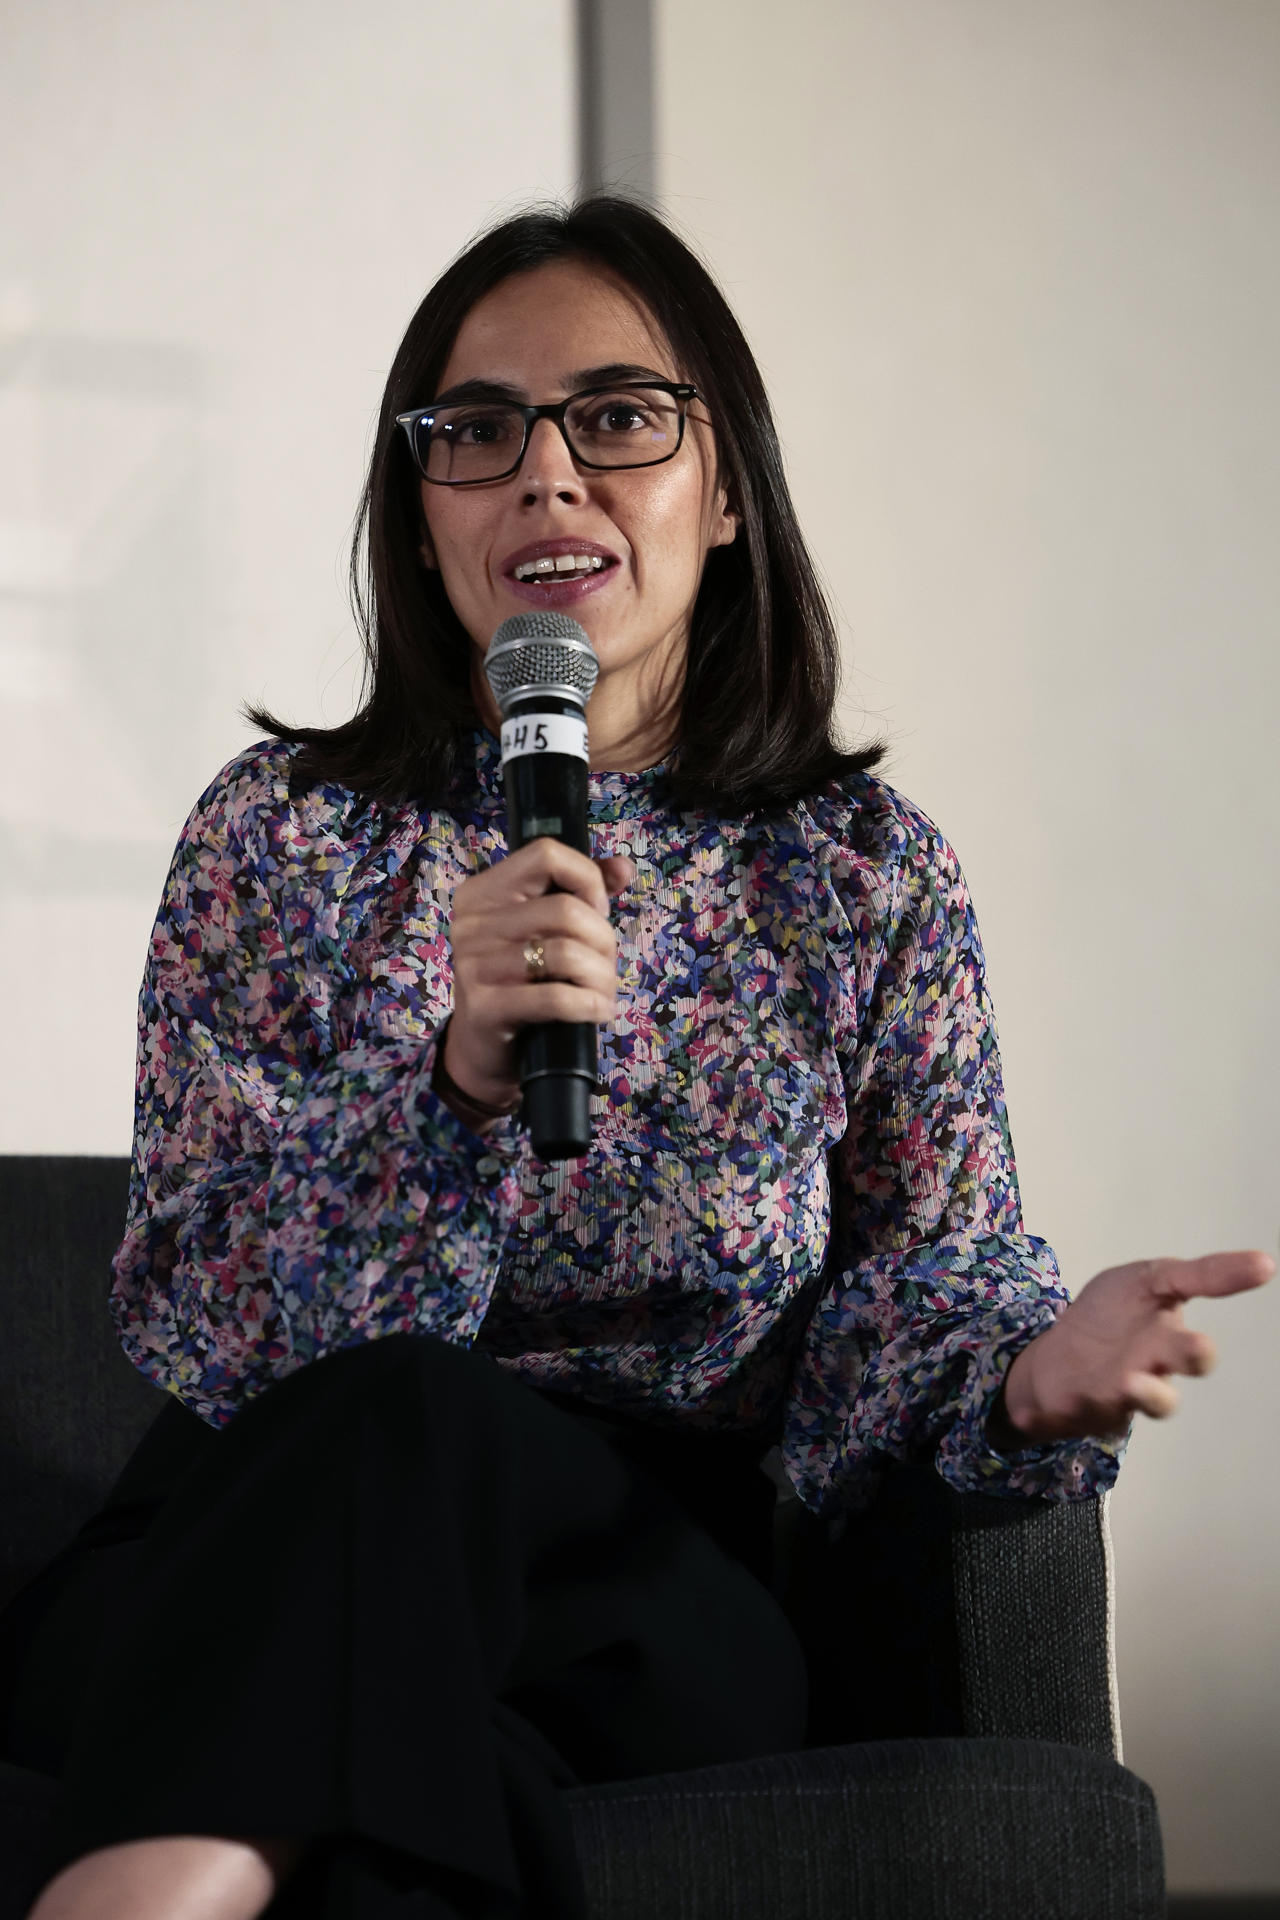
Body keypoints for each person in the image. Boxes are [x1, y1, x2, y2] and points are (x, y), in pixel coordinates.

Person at [5, 193, 1273, 1920]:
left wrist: (1020, 1375)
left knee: (383, 1624)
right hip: (248, 1543)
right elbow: (201, 1318)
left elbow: (912, 1304)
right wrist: (454, 1094)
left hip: (635, 1593)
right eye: (477, 431)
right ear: (423, 505)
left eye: (615, 416)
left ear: (725, 486)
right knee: (408, 1726)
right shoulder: (278, 837)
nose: (544, 476)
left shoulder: (861, 871)